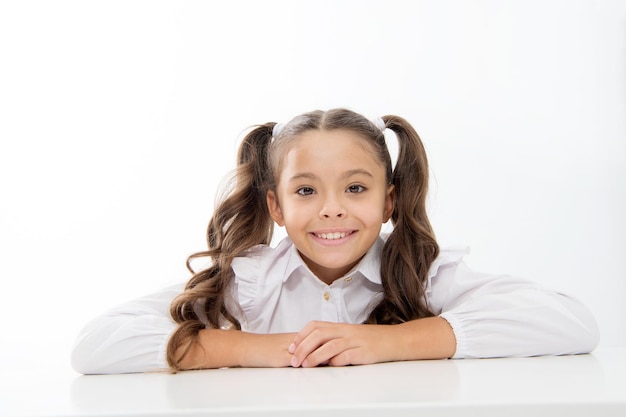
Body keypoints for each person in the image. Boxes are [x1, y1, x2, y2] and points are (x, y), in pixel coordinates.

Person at [71, 108, 599, 374]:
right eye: (306, 190)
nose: (331, 208)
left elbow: (571, 321)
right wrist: (256, 349)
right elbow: (95, 344)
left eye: (355, 187)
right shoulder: (250, 284)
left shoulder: (420, 273)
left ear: (389, 201)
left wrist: (390, 342)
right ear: (276, 206)